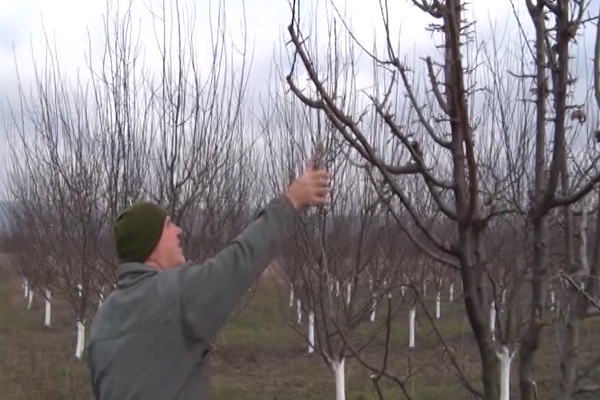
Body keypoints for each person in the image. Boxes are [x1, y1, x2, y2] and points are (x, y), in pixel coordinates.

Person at [86, 159, 329, 400]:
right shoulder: (177, 295)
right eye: (169, 225)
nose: (179, 231)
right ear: (151, 242)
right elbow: (241, 260)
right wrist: (291, 200)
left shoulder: (102, 320)